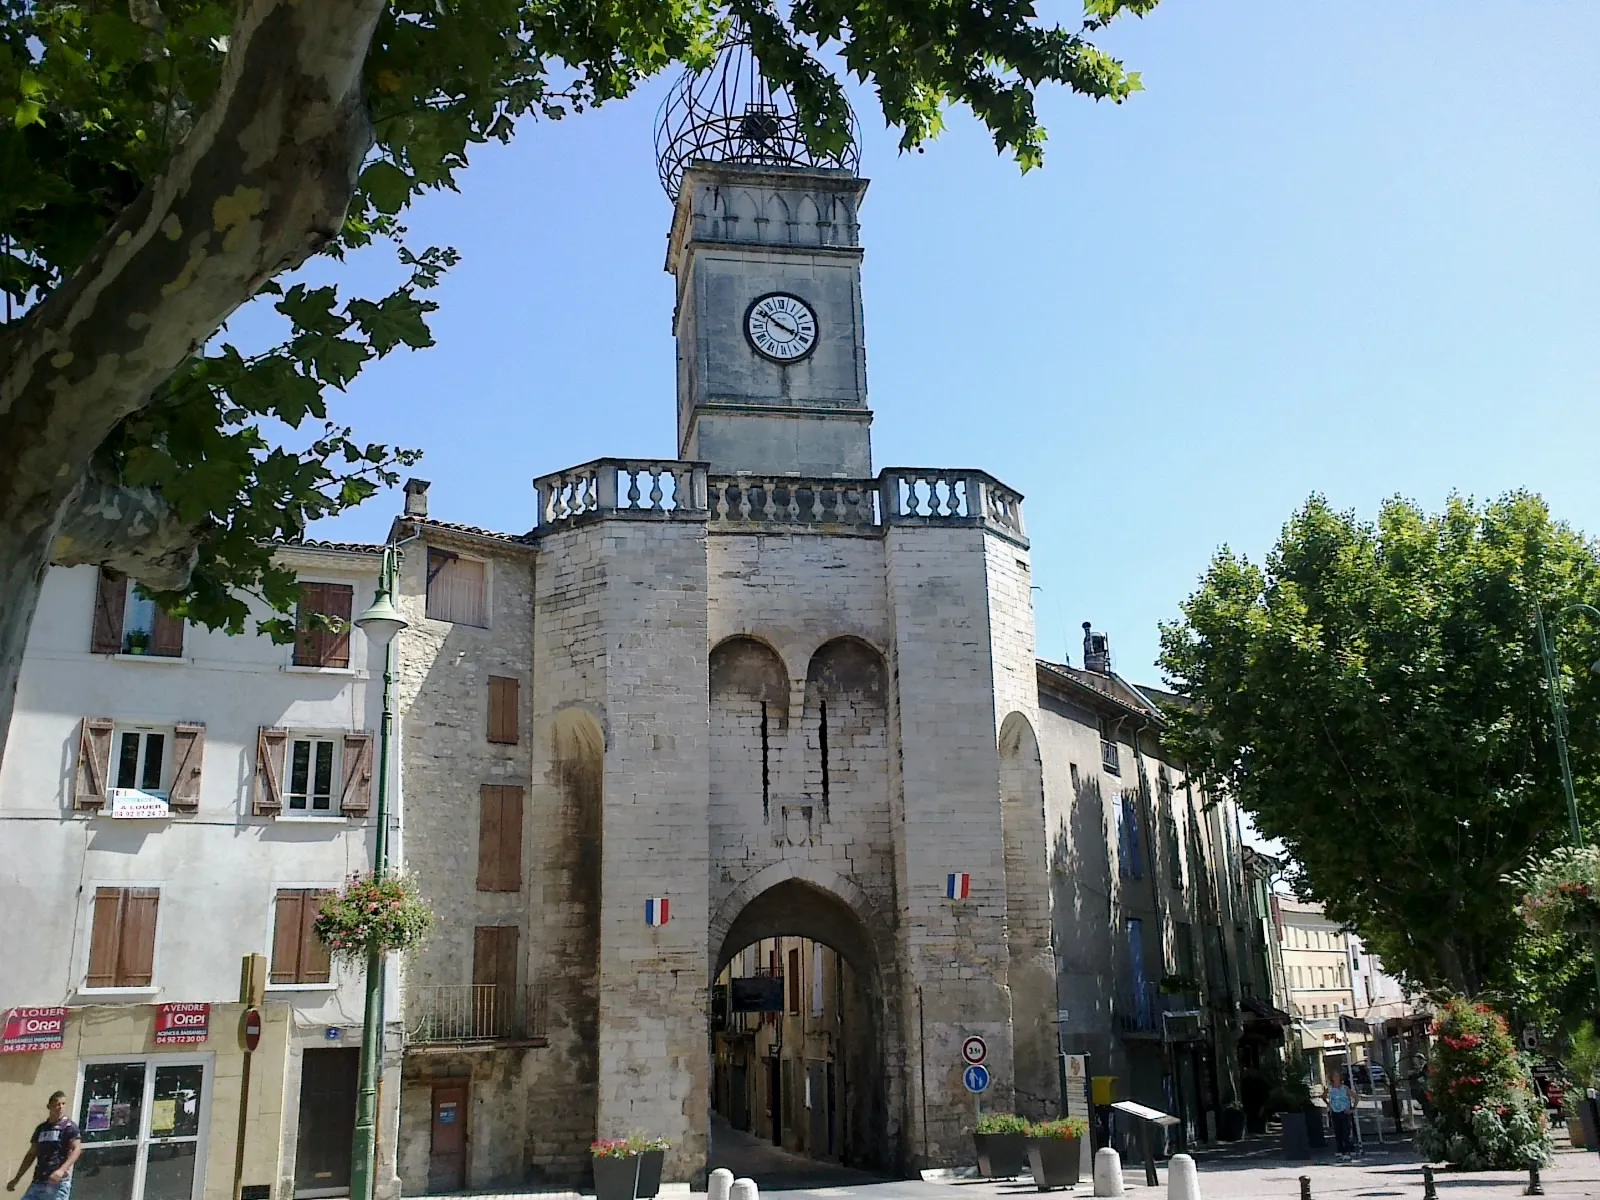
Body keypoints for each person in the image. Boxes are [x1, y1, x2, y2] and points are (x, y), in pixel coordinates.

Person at [6, 1093, 81, 1200]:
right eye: (57, 1104)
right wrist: (17, 1178)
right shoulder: (41, 1129)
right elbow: (31, 1154)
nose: (60, 1107)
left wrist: (61, 1170)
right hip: (38, 1181)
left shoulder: (69, 1127)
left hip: (57, 1184)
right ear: (49, 1106)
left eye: (63, 1104)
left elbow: (76, 1149)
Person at [1327, 1070, 1356, 1156]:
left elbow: (1356, 1097)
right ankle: (1340, 1149)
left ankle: (1348, 1148)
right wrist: (1329, 1105)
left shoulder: (1345, 1088)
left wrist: (1352, 1108)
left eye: (1337, 1076)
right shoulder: (1330, 1088)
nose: (1336, 1078)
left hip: (1344, 1112)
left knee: (1345, 1131)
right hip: (1335, 1112)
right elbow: (1324, 1096)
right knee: (1337, 1131)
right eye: (1334, 1076)